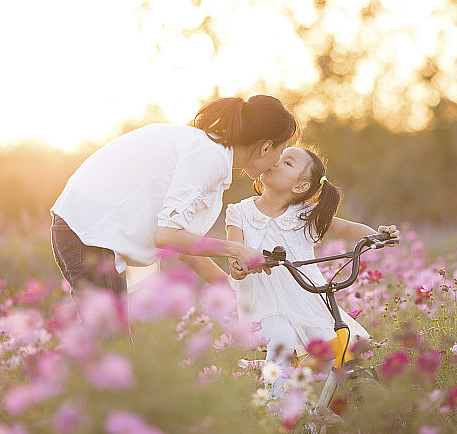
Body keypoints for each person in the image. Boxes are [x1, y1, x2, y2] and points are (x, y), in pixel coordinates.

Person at [50, 95, 299, 297]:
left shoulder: (210, 152)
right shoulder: (209, 157)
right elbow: (166, 236)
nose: (276, 162)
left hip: (85, 230)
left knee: (110, 349)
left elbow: (185, 250)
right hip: (90, 233)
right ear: (266, 147)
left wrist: (237, 297)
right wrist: (236, 249)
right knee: (111, 348)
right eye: (281, 152)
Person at [225, 146, 399, 397]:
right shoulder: (239, 212)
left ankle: (328, 407)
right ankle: (276, 410)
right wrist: (240, 268)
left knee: (330, 351)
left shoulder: (306, 215)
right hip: (264, 302)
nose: (276, 161)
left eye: (287, 163)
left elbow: (349, 229)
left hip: (305, 298)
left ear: (300, 187)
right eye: (278, 156)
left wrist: (378, 235)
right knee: (281, 341)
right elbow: (235, 254)